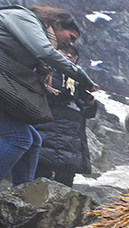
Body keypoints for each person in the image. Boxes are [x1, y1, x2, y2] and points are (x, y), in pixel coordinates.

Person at [0, 5, 97, 186]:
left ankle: (24, 198)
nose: (71, 44)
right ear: (57, 25)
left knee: (32, 140)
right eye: (71, 37)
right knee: (18, 138)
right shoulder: (24, 18)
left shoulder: (35, 34)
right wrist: (79, 75)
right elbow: (44, 51)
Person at [34, 45, 97, 187]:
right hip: (49, 129)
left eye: (73, 55)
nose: (69, 56)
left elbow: (87, 112)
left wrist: (91, 103)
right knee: (42, 171)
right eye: (65, 51)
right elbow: (47, 95)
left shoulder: (77, 81)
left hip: (72, 137)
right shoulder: (45, 71)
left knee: (66, 176)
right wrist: (66, 94)